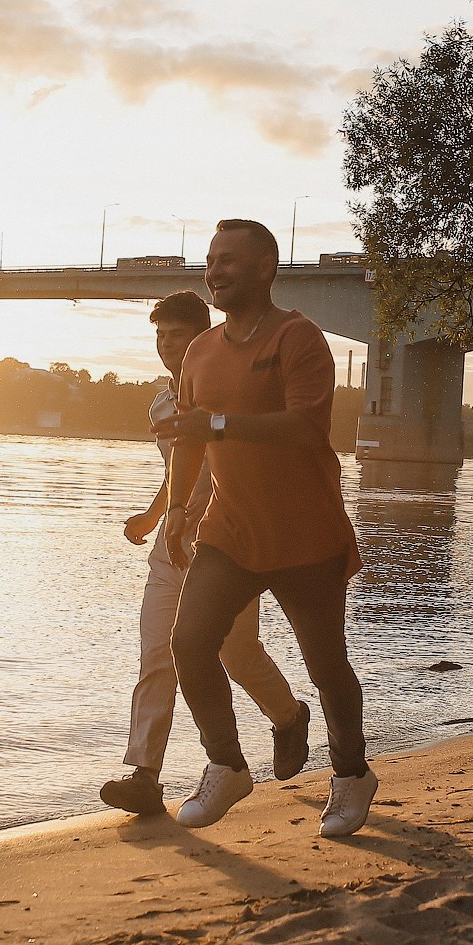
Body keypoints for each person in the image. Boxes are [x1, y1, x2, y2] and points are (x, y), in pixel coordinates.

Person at [155, 218, 378, 838]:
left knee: (326, 663)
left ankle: (352, 775)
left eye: (229, 260)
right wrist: (178, 510)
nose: (215, 270)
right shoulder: (200, 351)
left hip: (305, 532)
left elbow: (305, 424)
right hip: (229, 531)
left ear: (264, 269)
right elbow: (190, 441)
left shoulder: (297, 338)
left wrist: (217, 426)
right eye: (210, 259)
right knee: (190, 644)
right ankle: (227, 766)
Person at [100, 290, 311, 816]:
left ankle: (288, 717)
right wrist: (154, 517)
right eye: (159, 335)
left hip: (229, 545)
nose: (165, 345)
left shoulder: (225, 393)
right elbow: (179, 471)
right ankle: (145, 775)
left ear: (201, 337)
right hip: (174, 546)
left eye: (176, 335)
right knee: (157, 654)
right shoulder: (161, 404)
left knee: (235, 653)